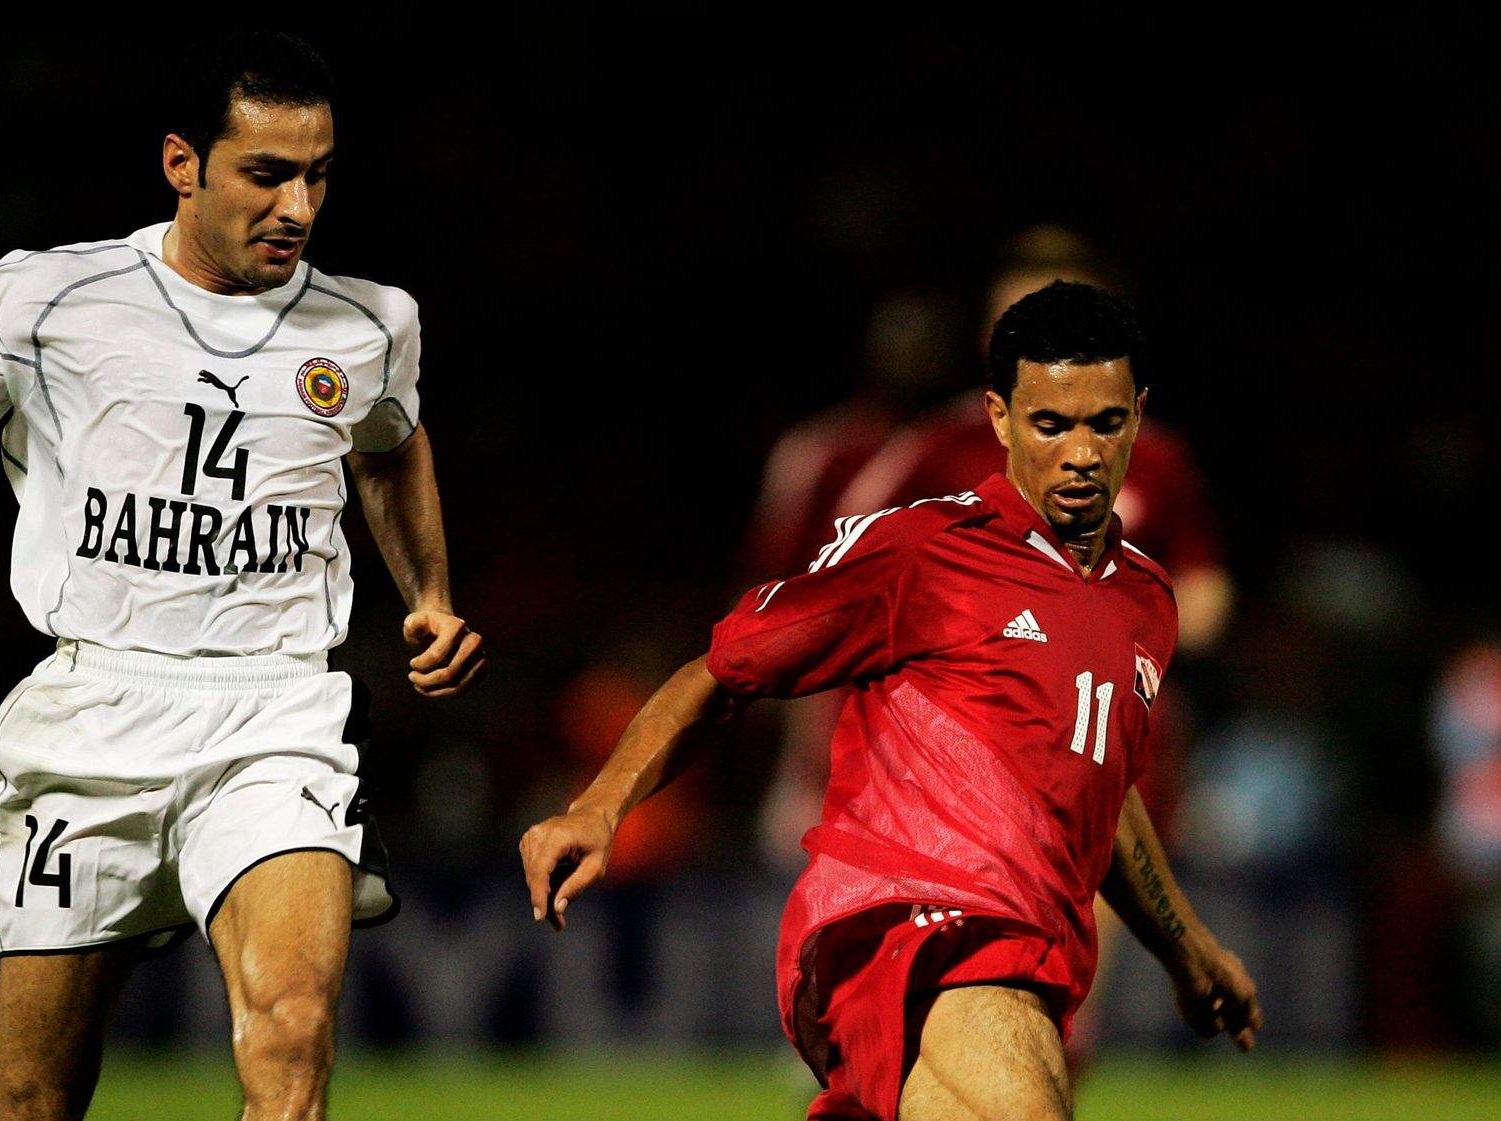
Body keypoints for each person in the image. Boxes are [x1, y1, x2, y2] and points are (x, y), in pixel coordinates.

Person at [0, 30, 484, 1121]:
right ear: (182, 164)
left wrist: (430, 593)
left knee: (291, 1035)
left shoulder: (373, 322)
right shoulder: (44, 299)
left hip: (275, 711)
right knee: (38, 1100)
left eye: (319, 174)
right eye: (267, 173)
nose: (299, 206)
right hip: (92, 717)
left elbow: (390, 442)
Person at [520, 280, 1258, 1121]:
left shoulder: (1144, 601)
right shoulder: (925, 552)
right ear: (1001, 417)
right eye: (1052, 424)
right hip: (909, 923)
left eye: (1106, 422)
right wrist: (599, 807)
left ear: (1139, 416)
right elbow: (722, 674)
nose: (1082, 452)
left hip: (1029, 948)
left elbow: (1103, 792)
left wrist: (1192, 953)